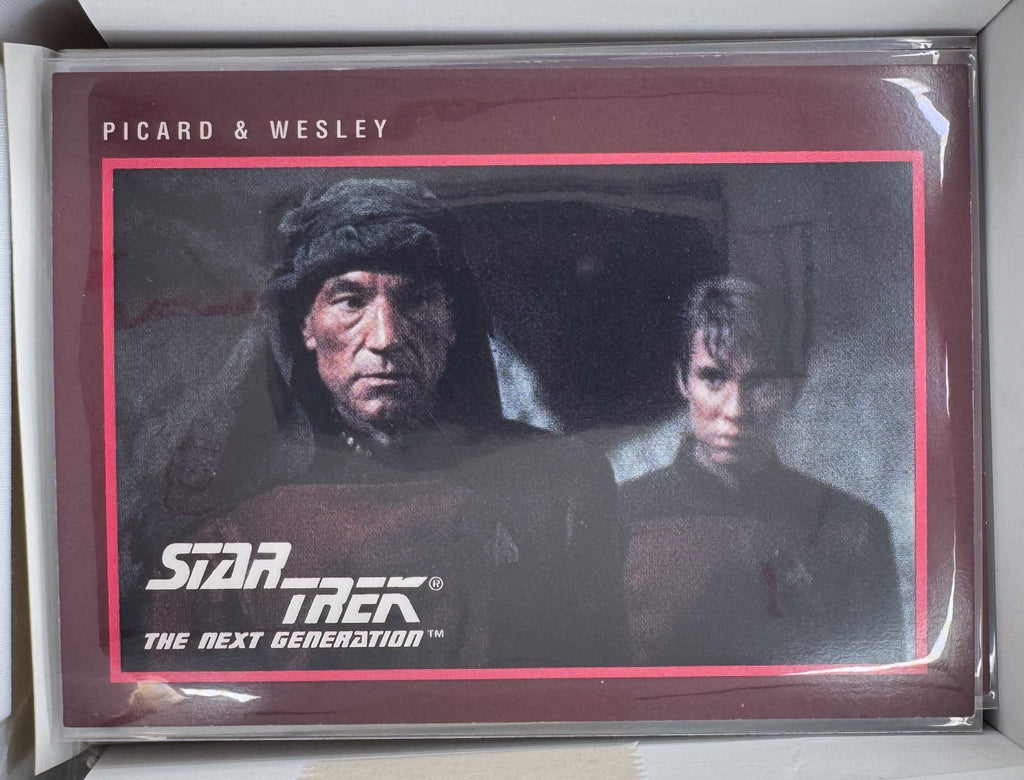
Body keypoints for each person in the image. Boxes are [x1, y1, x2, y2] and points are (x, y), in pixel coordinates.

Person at [121, 179, 625, 676]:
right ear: (306, 325)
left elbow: (596, 695)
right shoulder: (229, 532)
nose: (386, 337)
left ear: (452, 322)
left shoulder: (560, 488)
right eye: (351, 301)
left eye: (415, 300)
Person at [620, 276, 905, 666]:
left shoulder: (855, 530)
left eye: (759, 382)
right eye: (713, 377)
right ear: (682, 381)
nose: (736, 410)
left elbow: (882, 692)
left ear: (792, 388)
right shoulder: (619, 519)